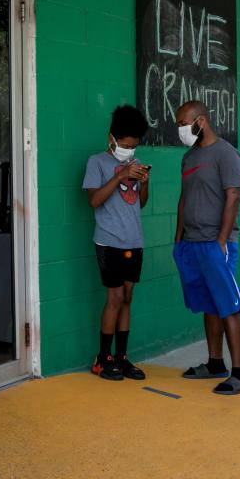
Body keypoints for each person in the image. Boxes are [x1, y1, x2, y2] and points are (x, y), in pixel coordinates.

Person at [172, 101, 240, 395]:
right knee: (208, 304)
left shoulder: (226, 154)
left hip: (218, 244)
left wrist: (220, 241)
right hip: (191, 244)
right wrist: (178, 238)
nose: (180, 129)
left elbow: (234, 198)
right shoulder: (189, 157)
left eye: (183, 123)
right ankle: (215, 363)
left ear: (201, 121)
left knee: (228, 306)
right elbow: (184, 198)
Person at [82, 105, 151, 381]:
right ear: (112, 138)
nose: (129, 151)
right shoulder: (97, 162)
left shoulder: (135, 163)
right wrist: (120, 176)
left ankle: (122, 358)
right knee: (115, 297)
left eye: (133, 147)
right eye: (125, 145)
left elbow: (141, 204)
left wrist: (144, 182)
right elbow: (94, 201)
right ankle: (103, 358)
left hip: (134, 240)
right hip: (109, 241)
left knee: (128, 298)